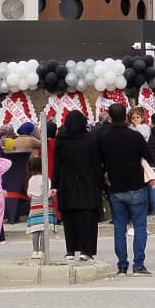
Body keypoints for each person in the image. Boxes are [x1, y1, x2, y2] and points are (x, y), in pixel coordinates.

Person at [98, 103, 155, 275]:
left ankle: (122, 265)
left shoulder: (104, 138)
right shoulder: (134, 136)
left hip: (115, 187)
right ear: (126, 117)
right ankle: (138, 265)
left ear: (109, 117)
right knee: (139, 226)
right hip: (136, 185)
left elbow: (99, 162)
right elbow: (149, 157)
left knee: (119, 227)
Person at [53, 110, 102, 262]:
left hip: (66, 185)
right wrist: (100, 183)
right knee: (87, 218)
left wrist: (55, 184)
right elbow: (96, 163)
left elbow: (57, 165)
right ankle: (86, 250)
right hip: (87, 183)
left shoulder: (61, 140)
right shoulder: (90, 139)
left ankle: (70, 250)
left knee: (69, 219)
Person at [24, 154, 54, 260]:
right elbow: (47, 193)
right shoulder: (45, 179)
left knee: (35, 230)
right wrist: (53, 192)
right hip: (44, 206)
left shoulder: (31, 179)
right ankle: (42, 251)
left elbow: (29, 193)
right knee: (43, 230)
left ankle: (35, 251)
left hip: (34, 206)